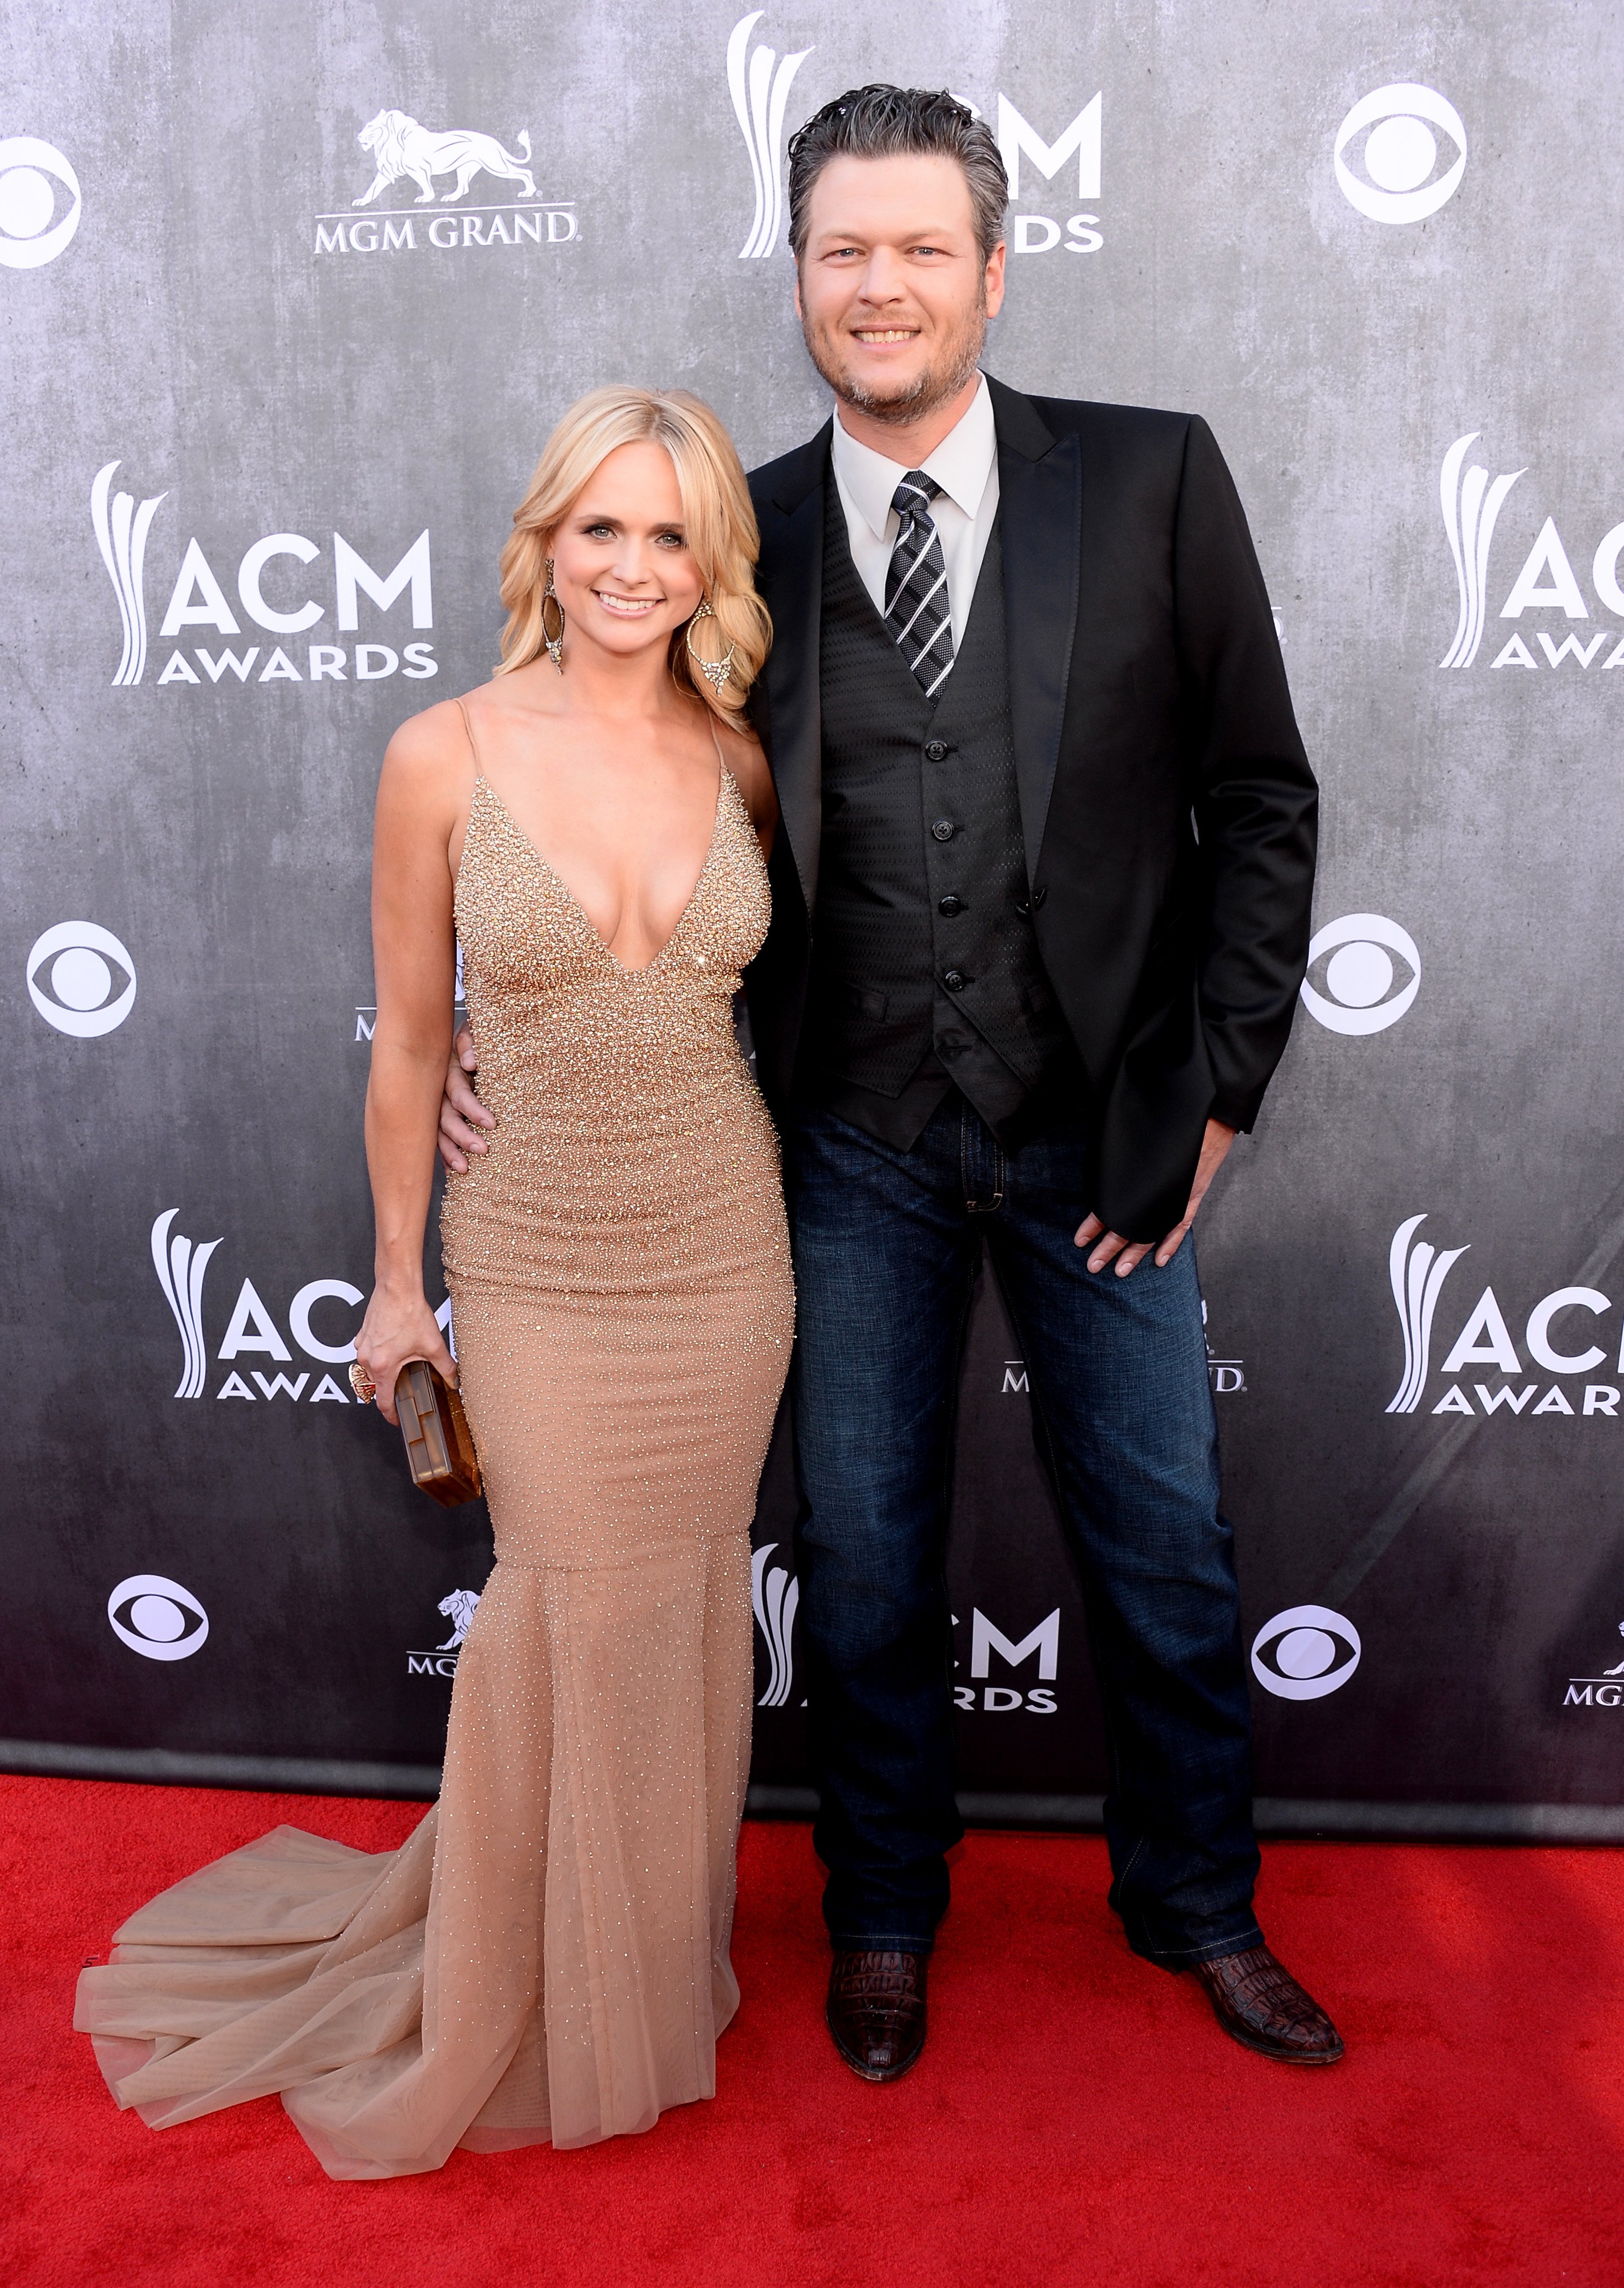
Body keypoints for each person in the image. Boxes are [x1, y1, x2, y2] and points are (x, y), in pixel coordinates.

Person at [443, 89, 1340, 2081]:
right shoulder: (726, 543)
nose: (881, 286)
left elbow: (1260, 803)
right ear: (797, 281)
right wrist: (509, 1069)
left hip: (1103, 1138)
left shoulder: (1154, 481)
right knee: (855, 1555)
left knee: (1165, 1549)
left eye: (921, 247)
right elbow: (607, 814)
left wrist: (1211, 1096)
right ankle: (879, 1915)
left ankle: (1196, 1903)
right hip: (839, 1147)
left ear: (992, 269)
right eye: (844, 250)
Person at [75, 388, 790, 2176]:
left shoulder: (746, 757)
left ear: (712, 560)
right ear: (545, 541)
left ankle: (644, 1958)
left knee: (687, 1603)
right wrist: (397, 1287)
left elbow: (778, 1013)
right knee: (563, 1598)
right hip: (537, 1247)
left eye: (666, 532)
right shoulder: (444, 751)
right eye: (598, 527)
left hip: (723, 1245)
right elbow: (409, 1047)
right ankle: (514, 1979)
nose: (630, 566)